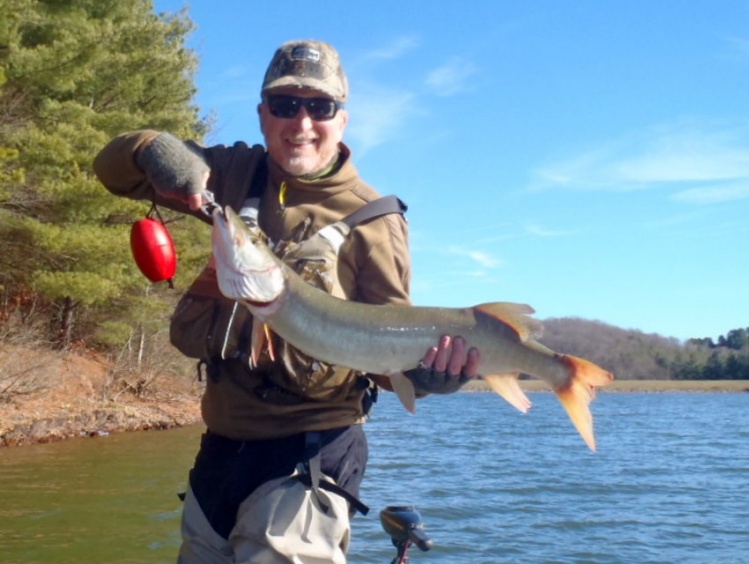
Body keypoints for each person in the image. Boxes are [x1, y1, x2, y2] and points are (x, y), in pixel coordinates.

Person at [93, 39, 481, 563]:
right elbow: (113, 172)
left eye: (320, 107)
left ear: (342, 120)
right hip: (220, 450)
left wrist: (428, 376)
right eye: (285, 105)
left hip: (309, 454)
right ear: (262, 115)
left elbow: (387, 347)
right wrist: (151, 149)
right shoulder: (230, 173)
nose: (301, 123)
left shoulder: (376, 219)